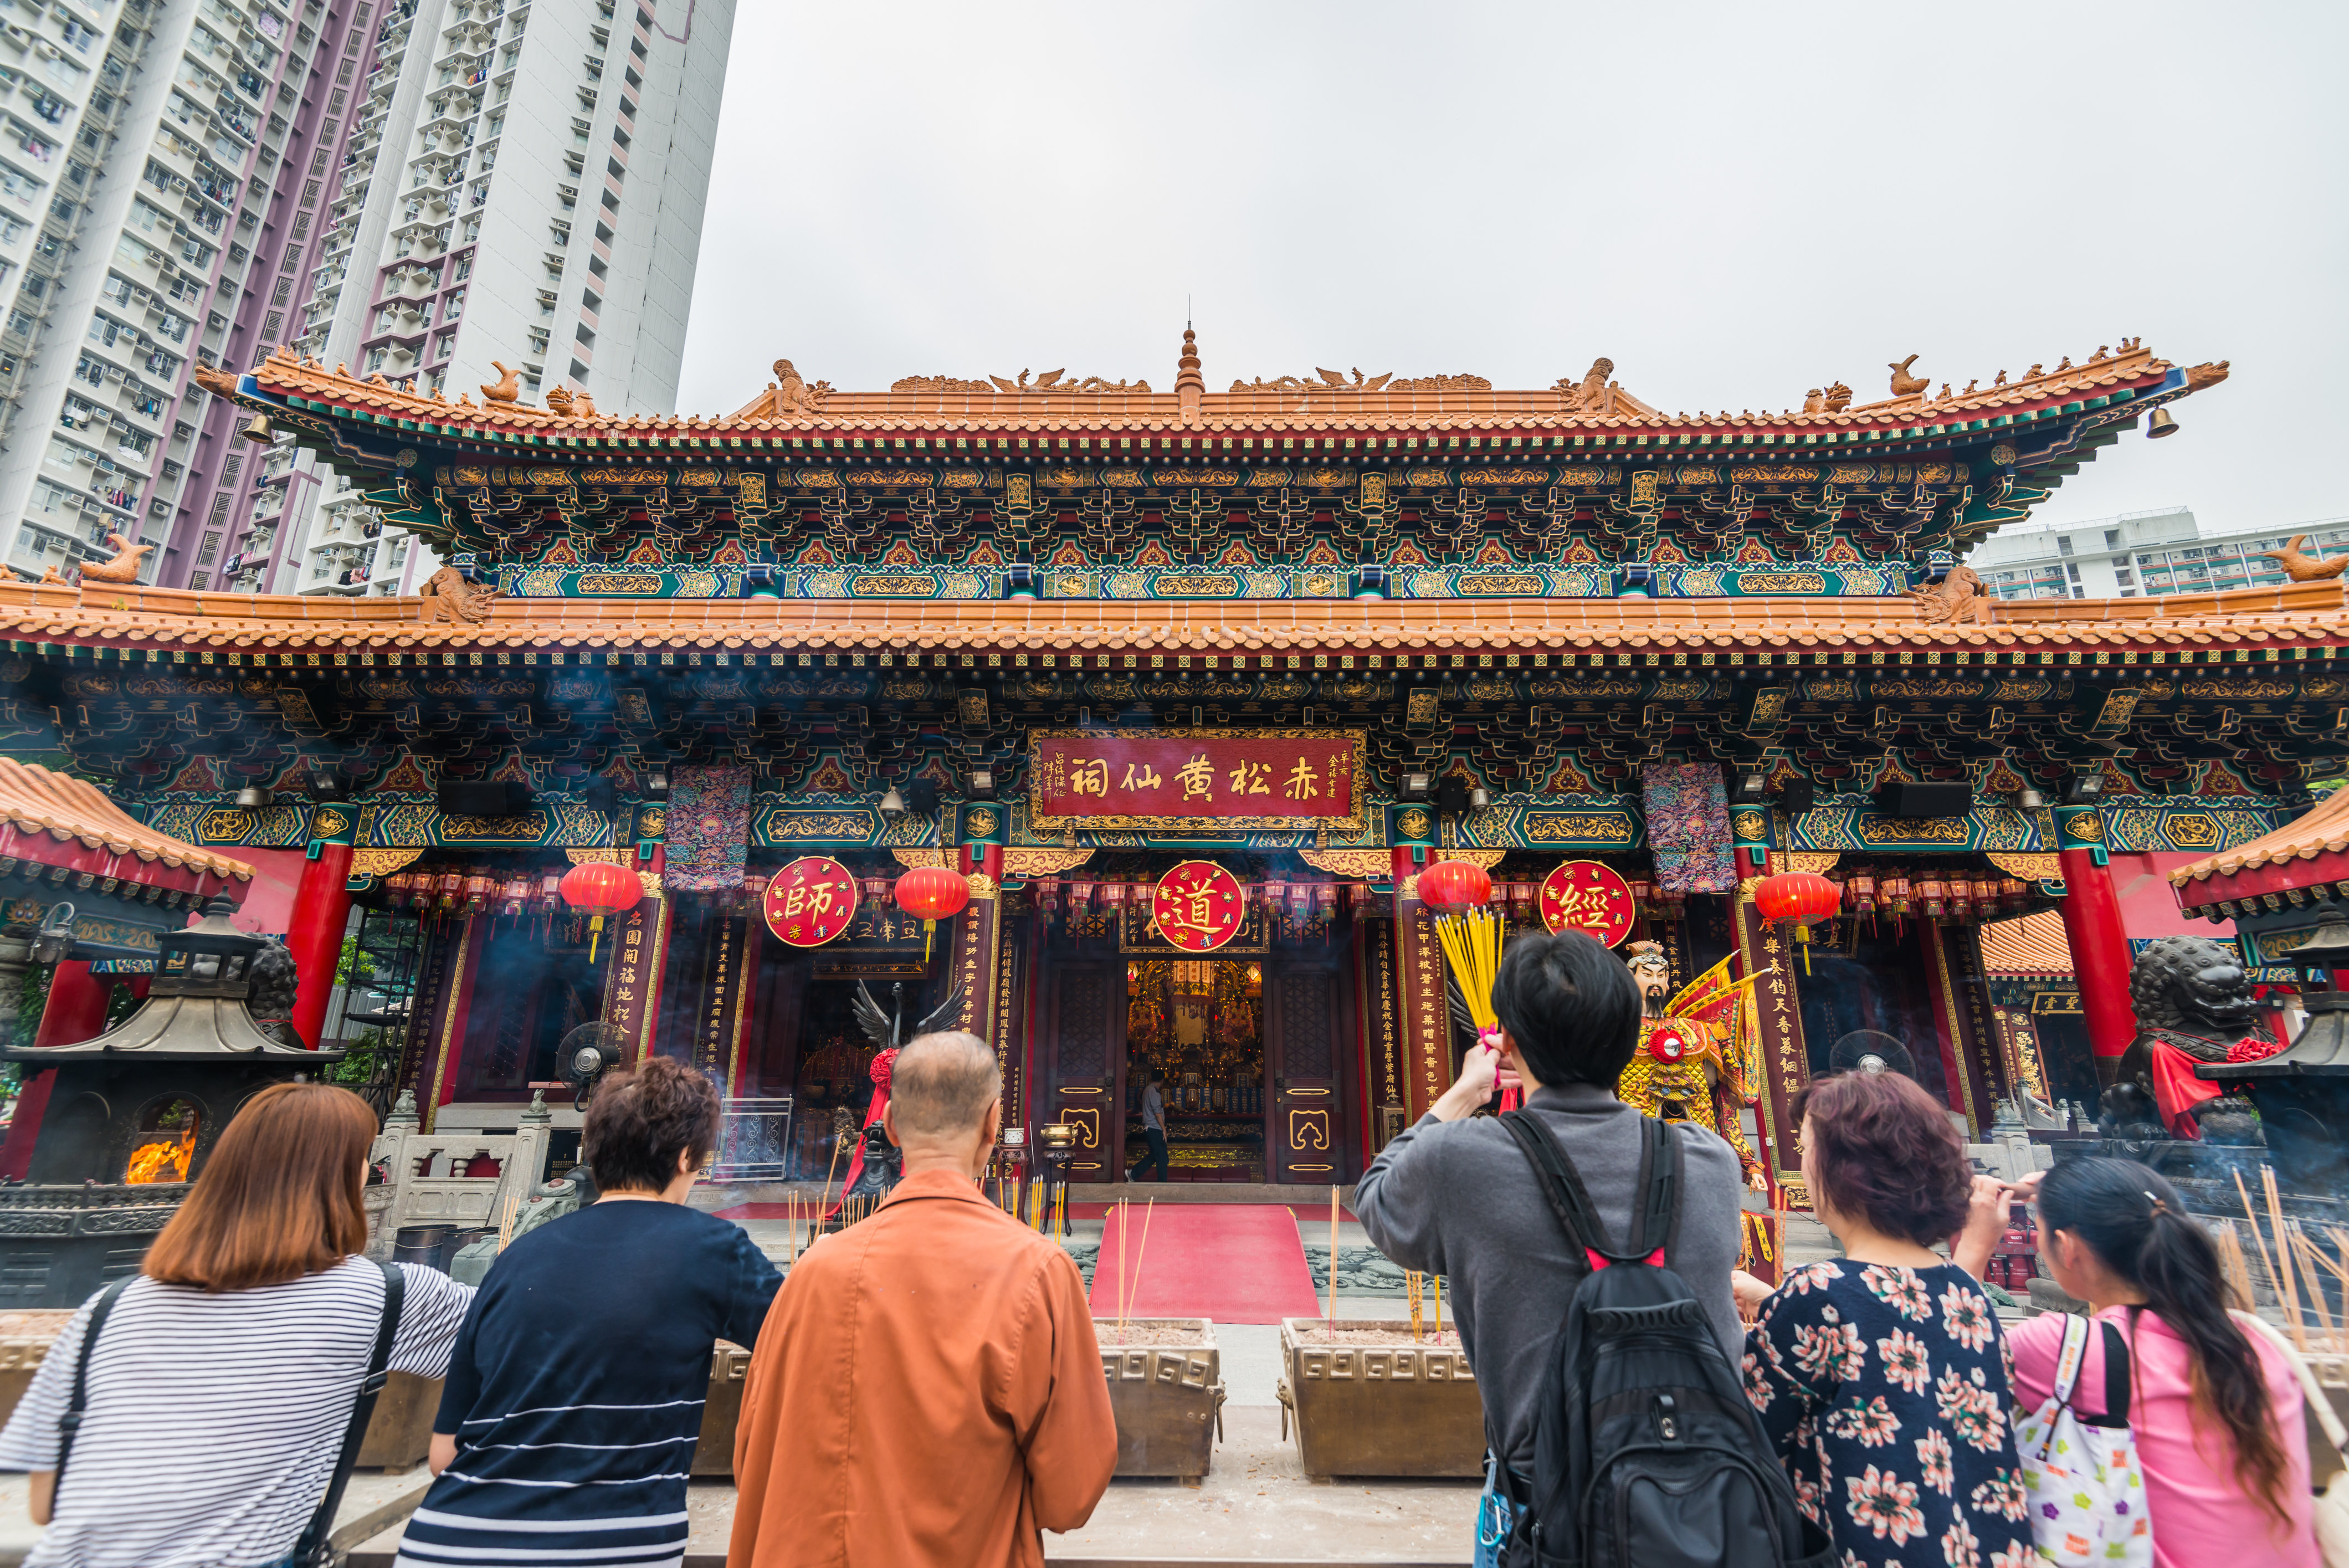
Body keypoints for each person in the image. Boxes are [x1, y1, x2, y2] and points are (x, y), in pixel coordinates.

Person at [1353, 930, 1747, 1567]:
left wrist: (1463, 1093)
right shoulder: (1709, 1160)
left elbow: (1377, 1199)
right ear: (1630, 1035)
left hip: (1549, 1505)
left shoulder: (1464, 1157)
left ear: (1507, 1040)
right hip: (1713, 1496)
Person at [0, 1082, 474, 1568]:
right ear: (342, 1176)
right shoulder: (379, 1295)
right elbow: (525, 1328)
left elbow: (45, 1503)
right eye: (364, 1157)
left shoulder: (112, 1306)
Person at [729, 1030, 1115, 1568]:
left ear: (889, 1124)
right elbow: (1070, 1490)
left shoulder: (815, 1269)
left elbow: (753, 1456)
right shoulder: (1036, 1270)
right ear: (991, 1122)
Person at [395, 1057, 781, 1568]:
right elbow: (810, 1343)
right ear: (688, 1157)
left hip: (443, 1540)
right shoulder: (713, 1249)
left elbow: (444, 1455)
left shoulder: (514, 1257)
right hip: (606, 1544)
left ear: (593, 1150)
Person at [1953, 1157, 2317, 1568]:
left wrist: (1974, 1244)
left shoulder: (2063, 1346)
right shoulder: (2251, 1340)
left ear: (2068, 1249)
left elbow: (1947, 1355)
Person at [1735, 1069, 2033, 1567]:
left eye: (1807, 1148)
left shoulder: (1818, 1294)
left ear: (1846, 1167)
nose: (1803, 1164)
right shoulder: (1966, 1291)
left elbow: (1750, 1441)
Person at [1129, 1064, 1167, 1182]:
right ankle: (1162, 1182)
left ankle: (1133, 1174)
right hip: (1154, 1128)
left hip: (1150, 1127)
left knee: (1158, 1155)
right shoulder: (1154, 1092)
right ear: (1162, 1080)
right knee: (1161, 1157)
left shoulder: (1147, 1089)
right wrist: (1164, 1129)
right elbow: (1157, 1113)